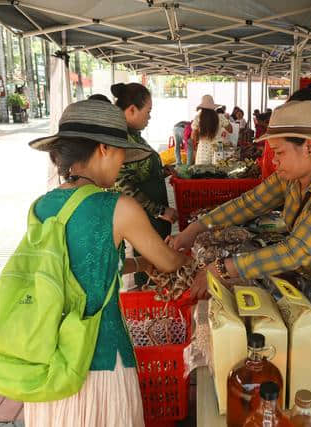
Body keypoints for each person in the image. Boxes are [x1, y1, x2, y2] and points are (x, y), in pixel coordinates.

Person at [169, 101, 311, 377]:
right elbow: (248, 203)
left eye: (279, 152)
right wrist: (195, 228)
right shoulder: (292, 178)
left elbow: (296, 251)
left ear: (309, 147)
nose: (274, 161)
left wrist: (221, 268)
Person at [25, 99, 188, 426]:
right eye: (120, 155)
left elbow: (83, 270)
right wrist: (187, 251)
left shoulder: (41, 206)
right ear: (103, 149)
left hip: (54, 360)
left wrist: (140, 266)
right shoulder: (118, 206)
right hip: (101, 358)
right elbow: (169, 262)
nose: (122, 165)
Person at [110, 82, 179, 286]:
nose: (149, 117)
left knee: (157, 261)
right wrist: (159, 210)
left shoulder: (134, 137)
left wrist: (161, 171)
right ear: (132, 110)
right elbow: (123, 185)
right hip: (147, 216)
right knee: (151, 264)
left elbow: (138, 170)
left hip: (153, 216)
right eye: (147, 112)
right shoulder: (121, 140)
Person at [192, 94, 232, 165]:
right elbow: (230, 130)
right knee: (218, 173)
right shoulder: (220, 117)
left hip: (203, 150)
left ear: (202, 108)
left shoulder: (198, 118)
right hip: (218, 149)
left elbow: (194, 137)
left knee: (203, 173)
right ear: (213, 107)